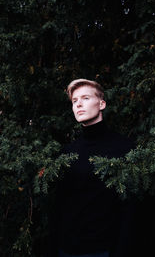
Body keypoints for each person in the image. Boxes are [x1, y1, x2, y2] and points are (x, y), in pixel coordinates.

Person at [49, 78, 136, 257]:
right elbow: (58, 207)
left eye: (86, 98)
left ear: (101, 103)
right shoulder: (67, 152)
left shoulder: (124, 148)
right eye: (74, 101)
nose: (79, 104)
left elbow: (130, 209)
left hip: (103, 250)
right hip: (66, 249)